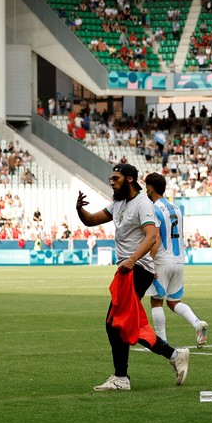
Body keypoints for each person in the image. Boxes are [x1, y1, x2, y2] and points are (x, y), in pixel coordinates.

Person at [76, 164, 190, 391]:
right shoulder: (118, 204)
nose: (111, 182)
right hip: (128, 269)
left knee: (114, 323)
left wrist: (132, 259)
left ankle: (122, 378)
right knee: (123, 324)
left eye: (115, 178)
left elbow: (152, 236)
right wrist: (79, 209)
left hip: (138, 269)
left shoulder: (144, 204)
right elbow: (90, 220)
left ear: (129, 179)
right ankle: (174, 354)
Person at [143, 173, 208, 347]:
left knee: (156, 301)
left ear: (150, 188)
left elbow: (155, 237)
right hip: (179, 260)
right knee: (173, 302)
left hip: (162, 260)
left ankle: (161, 341)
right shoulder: (177, 208)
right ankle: (196, 323)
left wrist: (150, 261)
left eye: (146, 187)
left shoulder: (153, 209)